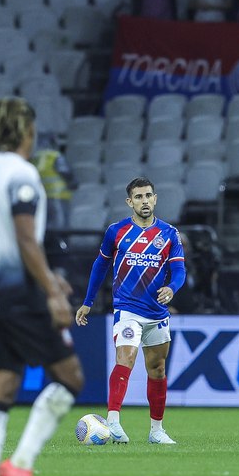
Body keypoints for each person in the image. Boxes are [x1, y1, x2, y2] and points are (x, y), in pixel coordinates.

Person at [0, 97, 85, 476]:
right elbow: (25, 238)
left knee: (0, 388)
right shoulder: (22, 173)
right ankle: (21, 463)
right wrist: (51, 290)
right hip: (18, 295)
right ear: (27, 132)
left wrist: (48, 276)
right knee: (70, 377)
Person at [75, 177, 186, 445]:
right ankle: (113, 422)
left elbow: (180, 270)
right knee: (125, 357)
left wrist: (172, 288)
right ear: (129, 202)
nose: (144, 201)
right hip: (127, 309)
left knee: (157, 369)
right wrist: (88, 301)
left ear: (155, 198)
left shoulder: (169, 234)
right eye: (138, 197)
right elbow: (100, 267)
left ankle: (156, 430)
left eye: (148, 195)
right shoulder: (116, 231)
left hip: (157, 312)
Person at [33, 137, 75, 231]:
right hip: (59, 195)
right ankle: (61, 244)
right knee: (61, 225)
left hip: (42, 196)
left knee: (46, 224)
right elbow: (66, 172)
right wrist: (73, 184)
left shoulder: (36, 158)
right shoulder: (55, 156)